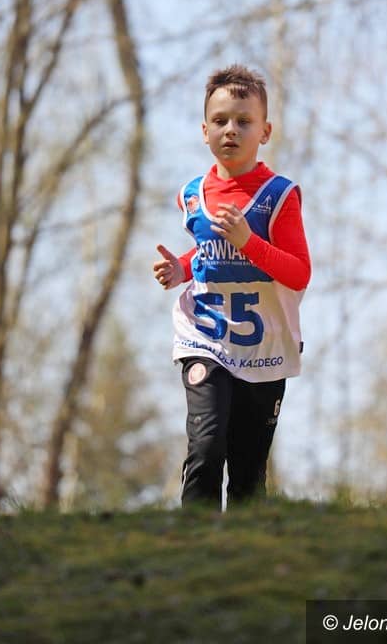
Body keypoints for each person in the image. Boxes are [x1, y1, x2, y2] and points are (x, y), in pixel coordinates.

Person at [153, 64, 311, 510]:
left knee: (247, 470)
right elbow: (208, 252)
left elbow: (299, 273)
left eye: (244, 121)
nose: (231, 130)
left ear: (265, 131)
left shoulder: (280, 196)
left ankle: (243, 545)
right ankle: (193, 538)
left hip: (264, 349)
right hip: (205, 337)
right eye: (220, 121)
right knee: (205, 446)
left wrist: (248, 242)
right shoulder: (191, 195)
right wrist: (182, 269)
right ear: (204, 131)